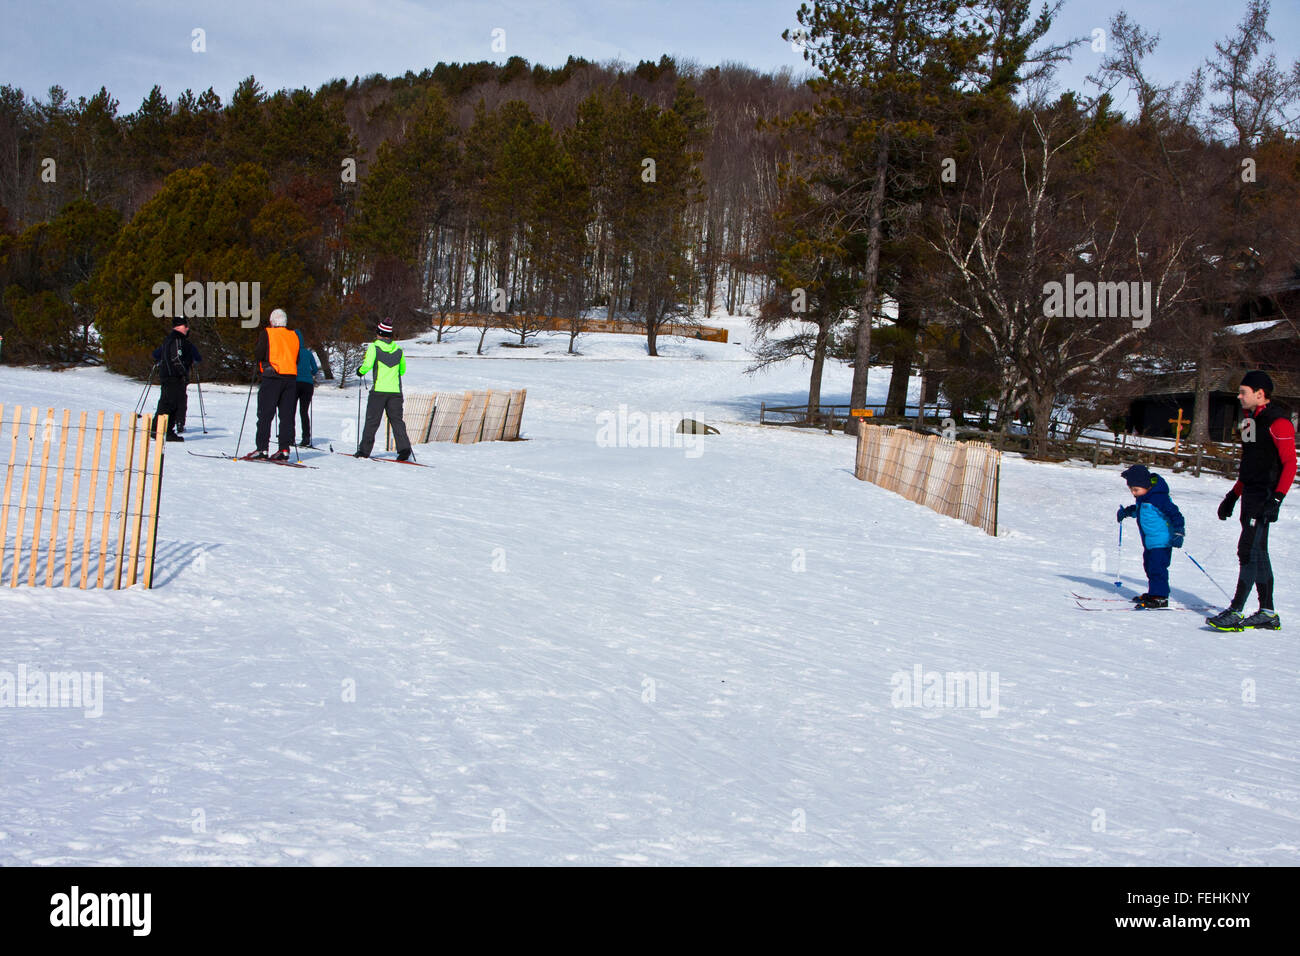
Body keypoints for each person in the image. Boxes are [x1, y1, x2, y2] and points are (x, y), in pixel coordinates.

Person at [1206, 370, 1296, 631]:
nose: (1239, 395)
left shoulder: (1279, 423)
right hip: (1251, 496)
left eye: (1243, 391)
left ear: (1260, 394)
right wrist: (1233, 496)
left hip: (1266, 496)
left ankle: (1235, 612)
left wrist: (1277, 499)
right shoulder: (1247, 422)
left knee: (1248, 551)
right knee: (1258, 552)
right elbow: (1248, 466)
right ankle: (1267, 612)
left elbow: (1290, 464)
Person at [1116, 464, 1185, 609]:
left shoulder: (1159, 499)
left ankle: (1160, 597)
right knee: (1149, 566)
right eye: (1131, 490)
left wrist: (1179, 532)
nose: (1134, 493)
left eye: (1136, 490)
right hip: (1150, 542)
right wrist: (1127, 512)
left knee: (1157, 568)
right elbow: (1140, 511)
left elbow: (1175, 514)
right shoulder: (1143, 498)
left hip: (1162, 542)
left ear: (1146, 485)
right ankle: (1154, 593)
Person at [354, 319, 412, 461]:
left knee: (372, 421)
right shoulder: (398, 350)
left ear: (379, 333)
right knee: (397, 421)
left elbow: (367, 365)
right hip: (395, 392)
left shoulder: (374, 347)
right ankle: (404, 449)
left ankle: (364, 451)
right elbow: (402, 370)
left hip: (379, 391)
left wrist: (360, 372)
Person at [249, 308, 299, 461]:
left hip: (272, 377)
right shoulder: (294, 335)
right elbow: (296, 358)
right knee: (286, 416)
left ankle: (262, 448)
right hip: (290, 378)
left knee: (265, 414)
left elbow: (258, 353)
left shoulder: (267, 333)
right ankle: (284, 449)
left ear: (272, 322)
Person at [153, 317, 201, 442]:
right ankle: (168, 431)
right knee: (172, 404)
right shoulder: (179, 340)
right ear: (180, 327)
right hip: (174, 377)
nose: (188, 329)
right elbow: (176, 359)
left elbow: (156, 354)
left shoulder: (168, 340)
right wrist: (183, 373)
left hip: (166, 375)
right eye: (186, 326)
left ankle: (155, 429)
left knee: (164, 403)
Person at [293, 328, 320, 447]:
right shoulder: (308, 353)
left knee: (290, 411)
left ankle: (289, 437)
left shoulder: (291, 352)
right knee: (304, 412)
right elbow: (315, 369)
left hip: (294, 384)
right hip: (308, 385)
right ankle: (306, 438)